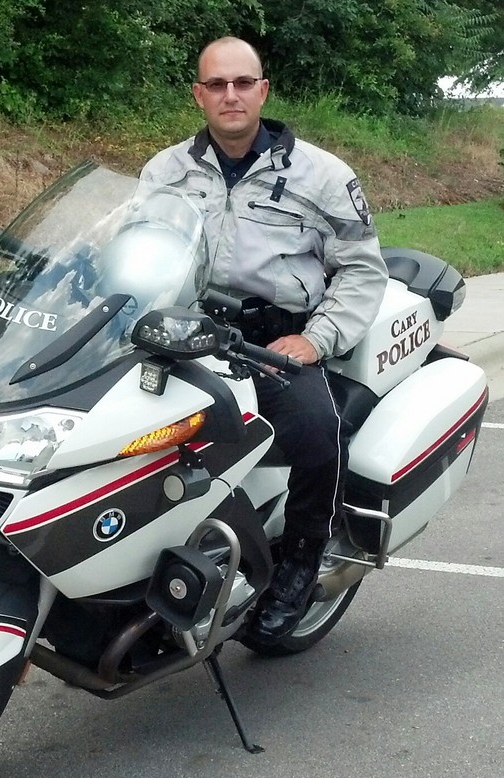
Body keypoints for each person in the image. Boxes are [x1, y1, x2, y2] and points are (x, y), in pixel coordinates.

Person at [140, 36, 388, 645]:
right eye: (217, 84)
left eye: (243, 83)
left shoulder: (324, 176)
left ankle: (301, 561)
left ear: (263, 90)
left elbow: (362, 269)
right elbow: (136, 252)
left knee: (317, 432)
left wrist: (315, 339)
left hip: (273, 345)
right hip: (187, 335)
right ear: (199, 95)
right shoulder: (165, 172)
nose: (231, 95)